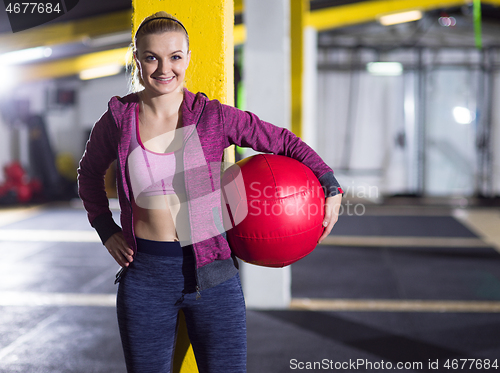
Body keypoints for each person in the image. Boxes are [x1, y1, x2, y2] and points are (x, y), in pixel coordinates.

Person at [77, 11, 343, 373]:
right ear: (137, 59)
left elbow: (281, 140)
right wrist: (106, 230)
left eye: (174, 57)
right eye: (151, 57)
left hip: (214, 276)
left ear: (187, 58)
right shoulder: (118, 120)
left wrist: (330, 184)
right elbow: (88, 175)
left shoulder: (213, 117)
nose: (163, 68)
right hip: (146, 278)